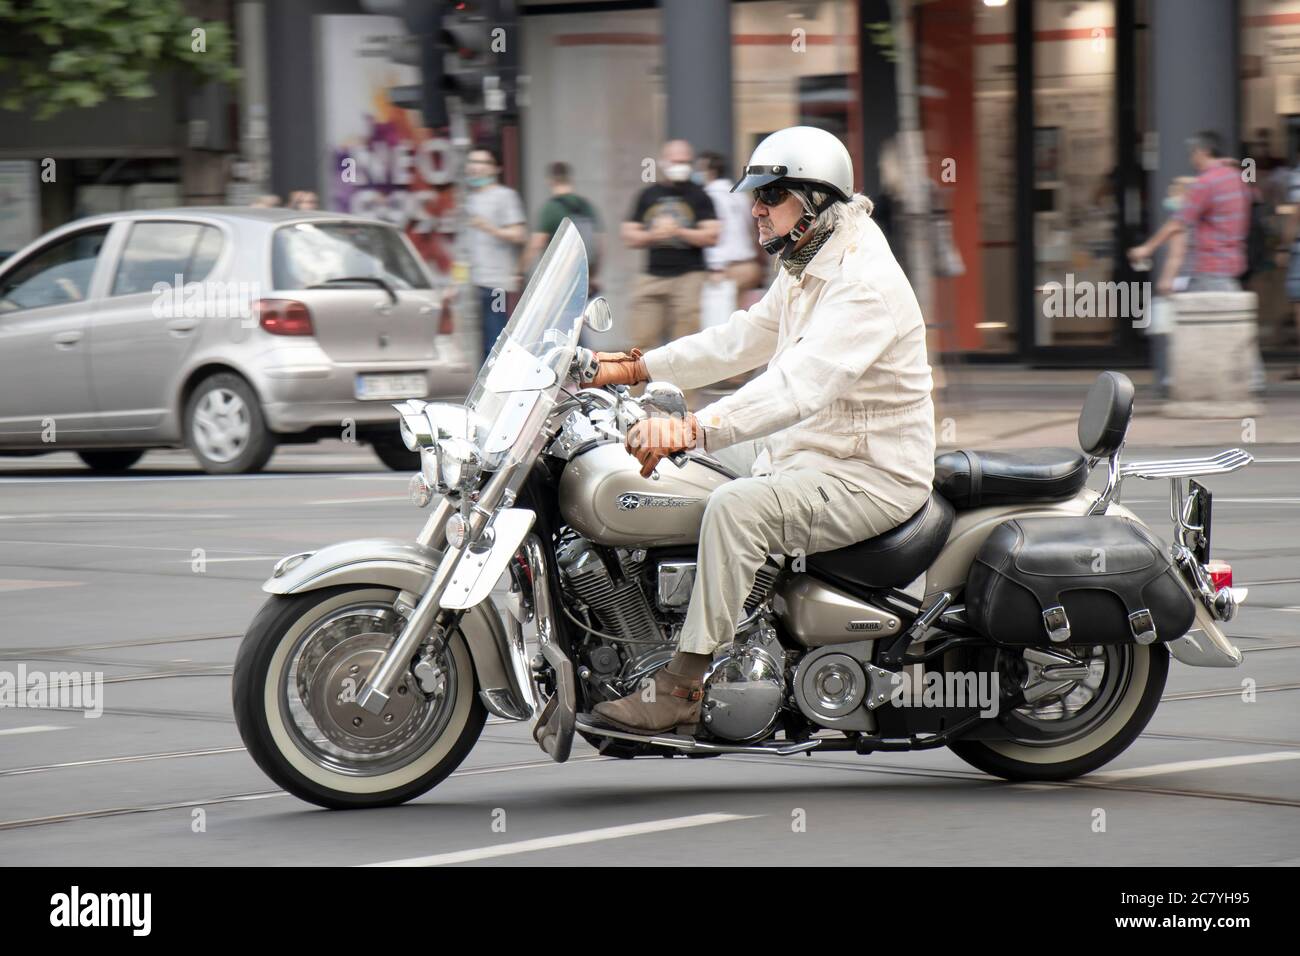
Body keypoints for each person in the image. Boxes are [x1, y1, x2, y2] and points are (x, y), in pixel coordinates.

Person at [584, 126, 937, 735]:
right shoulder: (811, 260)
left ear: (814, 201)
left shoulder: (861, 284)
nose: (755, 209)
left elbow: (797, 386)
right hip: (816, 449)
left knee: (735, 508)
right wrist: (639, 367)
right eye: (756, 196)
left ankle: (681, 685)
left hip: (868, 473)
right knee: (683, 479)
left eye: (770, 197)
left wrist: (693, 428)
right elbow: (745, 336)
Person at [1128, 130, 1261, 390]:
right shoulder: (1237, 179)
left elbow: (1179, 223)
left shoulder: (1206, 183)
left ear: (1203, 152)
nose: (1192, 157)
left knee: (1200, 324)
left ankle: (1240, 379)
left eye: (1193, 152)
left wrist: (1146, 248)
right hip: (1232, 261)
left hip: (1210, 264)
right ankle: (1246, 378)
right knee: (1225, 322)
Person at [620, 140, 720, 351]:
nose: (680, 166)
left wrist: (678, 231)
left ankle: (684, 385)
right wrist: (654, 234)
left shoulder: (699, 195)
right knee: (641, 340)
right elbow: (629, 234)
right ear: (663, 162)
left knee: (686, 342)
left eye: (685, 162)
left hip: (689, 275)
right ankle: (638, 383)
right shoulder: (648, 195)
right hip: (653, 275)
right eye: (675, 161)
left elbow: (711, 235)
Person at [464, 146, 527, 363]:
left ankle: (497, 390)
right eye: (472, 161)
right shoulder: (468, 200)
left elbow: (519, 234)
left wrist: (490, 228)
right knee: (474, 345)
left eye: (482, 163)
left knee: (495, 339)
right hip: (472, 283)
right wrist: (455, 283)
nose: (475, 167)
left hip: (496, 284)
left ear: (495, 168)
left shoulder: (505, 196)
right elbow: (464, 248)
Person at [522, 161, 602, 292]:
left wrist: (521, 271)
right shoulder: (586, 206)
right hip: (582, 278)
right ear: (570, 179)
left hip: (557, 281)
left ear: (550, 181)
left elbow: (537, 244)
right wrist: (592, 275)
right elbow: (599, 245)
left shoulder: (550, 208)